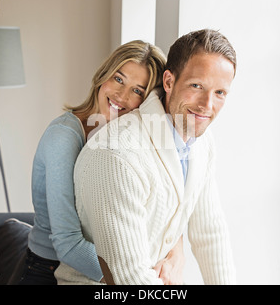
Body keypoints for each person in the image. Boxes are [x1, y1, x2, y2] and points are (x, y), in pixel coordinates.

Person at [55, 29, 237, 285]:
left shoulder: (202, 142)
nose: (207, 105)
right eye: (197, 86)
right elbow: (129, 277)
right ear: (169, 82)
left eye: (220, 93)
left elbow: (210, 234)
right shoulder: (115, 154)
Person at [18, 40, 185, 285]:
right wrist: (136, 274)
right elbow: (68, 244)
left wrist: (175, 255)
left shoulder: (131, 145)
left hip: (104, 269)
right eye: (118, 79)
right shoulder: (63, 137)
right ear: (102, 76)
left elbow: (171, 208)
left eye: (137, 91)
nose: (121, 95)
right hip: (47, 270)